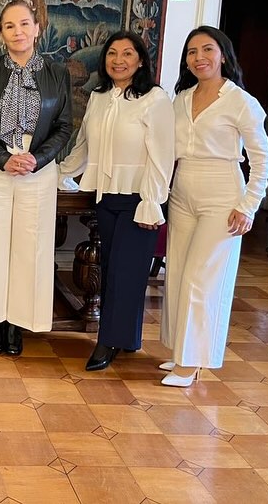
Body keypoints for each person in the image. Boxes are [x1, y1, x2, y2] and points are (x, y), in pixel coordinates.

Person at [159, 25, 268, 386]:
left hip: (222, 194)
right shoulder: (181, 99)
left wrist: (249, 205)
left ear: (223, 55)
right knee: (177, 273)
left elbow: (262, 159)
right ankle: (180, 349)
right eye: (192, 52)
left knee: (202, 277)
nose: (199, 57)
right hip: (183, 190)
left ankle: (191, 362)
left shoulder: (240, 101)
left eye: (207, 49)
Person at [58, 30, 174, 371]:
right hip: (106, 197)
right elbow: (83, 146)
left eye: (127, 54)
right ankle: (127, 338)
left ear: (140, 61)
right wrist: (59, 173)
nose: (118, 60)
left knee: (126, 274)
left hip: (139, 199)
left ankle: (107, 341)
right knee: (114, 270)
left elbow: (162, 157)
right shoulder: (99, 97)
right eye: (112, 53)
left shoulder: (155, 99)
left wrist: (152, 201)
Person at [0, 0, 72, 356]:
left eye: (25, 24)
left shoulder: (57, 73)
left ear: (37, 27)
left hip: (37, 169)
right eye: (9, 26)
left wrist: (37, 159)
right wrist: (3, 158)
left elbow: (64, 126)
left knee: (30, 247)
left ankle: (18, 323)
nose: (18, 32)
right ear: (1, 32)